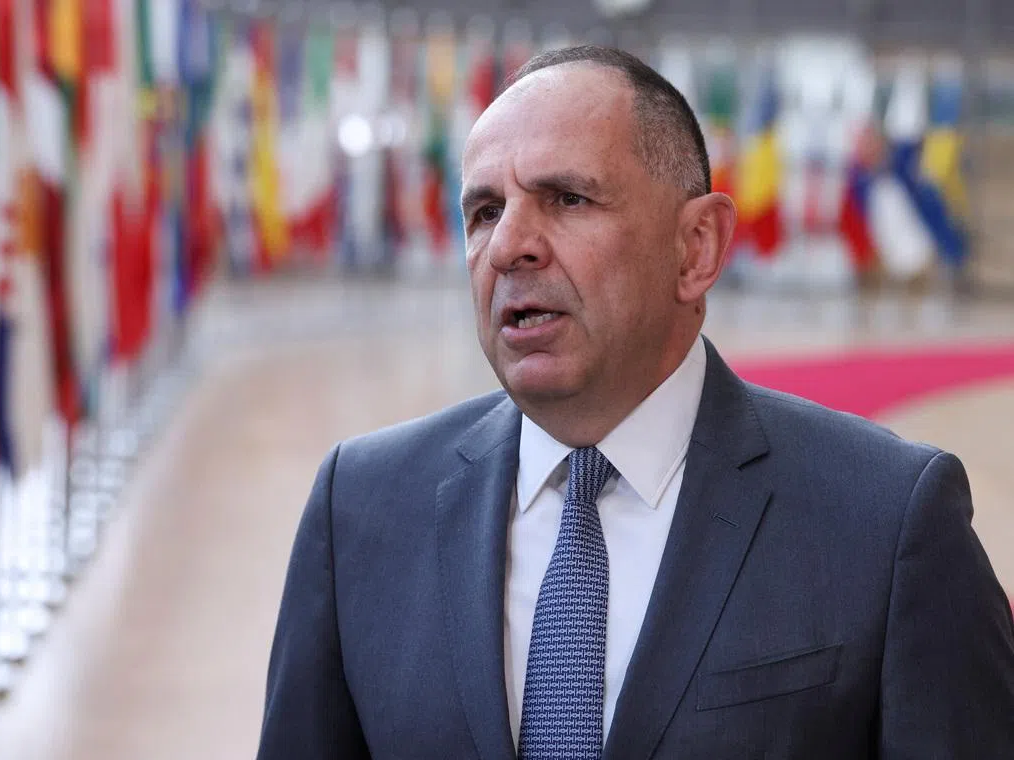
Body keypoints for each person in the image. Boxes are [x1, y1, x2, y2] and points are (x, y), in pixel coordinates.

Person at [257, 46, 1014, 759]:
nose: (508, 245)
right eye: (485, 211)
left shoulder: (887, 521)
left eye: (567, 198)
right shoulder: (358, 507)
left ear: (698, 249)